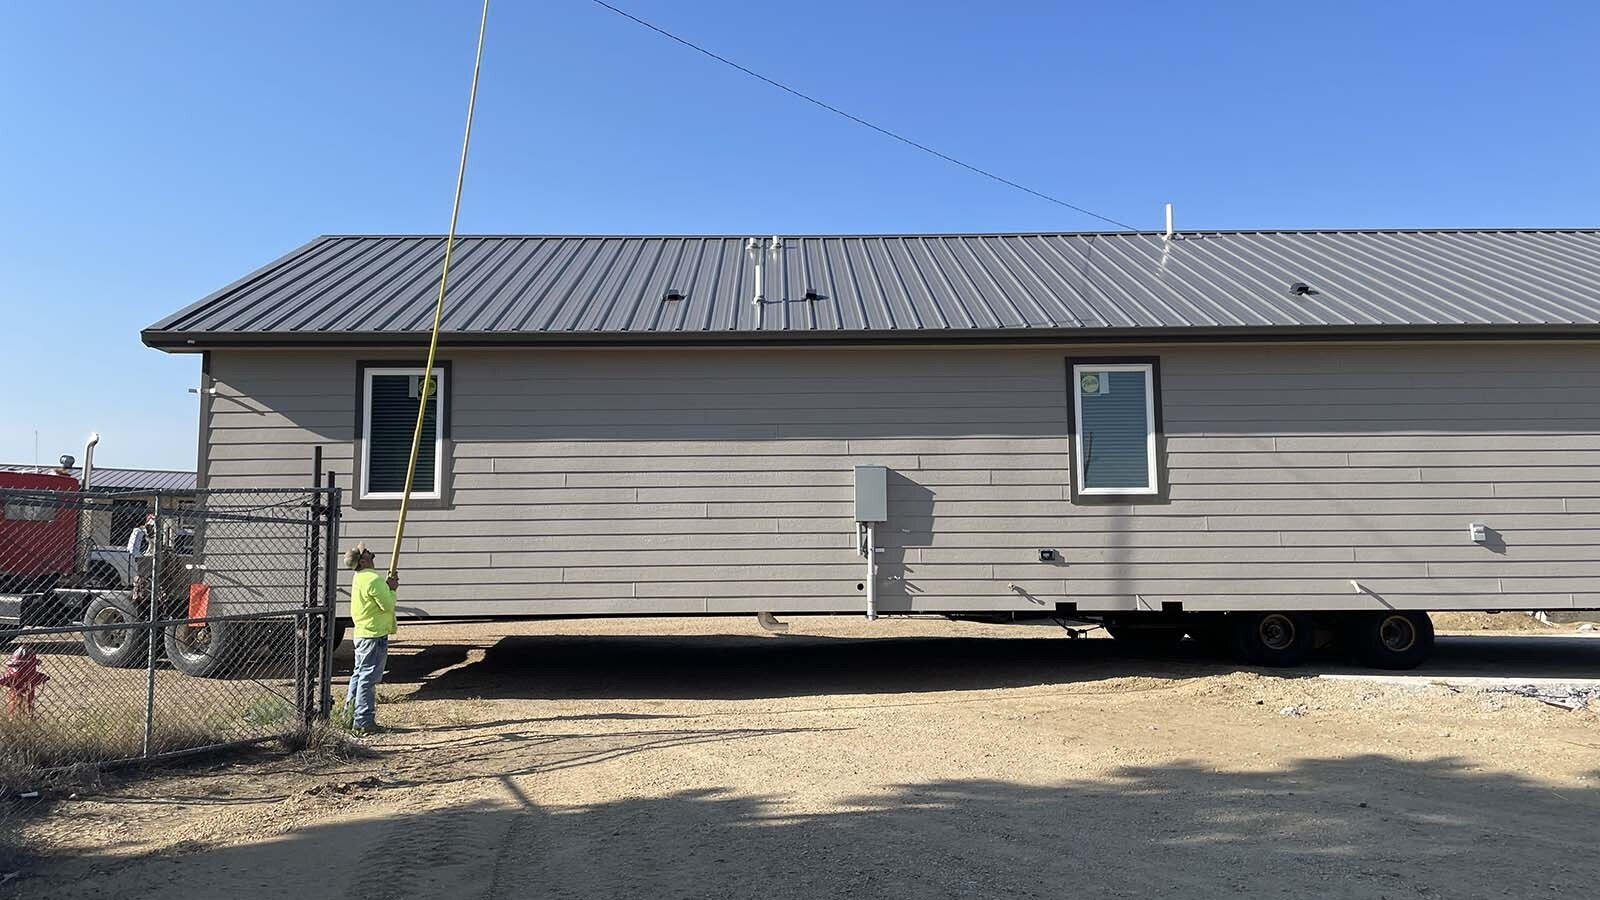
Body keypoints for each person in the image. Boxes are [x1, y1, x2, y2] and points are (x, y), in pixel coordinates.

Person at [343, 543, 399, 734]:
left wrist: (387, 586)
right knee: (368, 678)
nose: (368, 551)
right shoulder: (373, 579)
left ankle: (349, 716)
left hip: (363, 633)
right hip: (374, 635)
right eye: (365, 551)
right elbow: (387, 605)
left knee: (358, 675)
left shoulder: (359, 577)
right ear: (364, 560)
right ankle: (364, 721)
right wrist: (391, 589)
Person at [127, 513, 155, 601]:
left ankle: (140, 590)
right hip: (143, 555)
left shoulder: (142, 531)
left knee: (143, 576)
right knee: (141, 576)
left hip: (147, 554)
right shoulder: (140, 530)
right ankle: (138, 592)